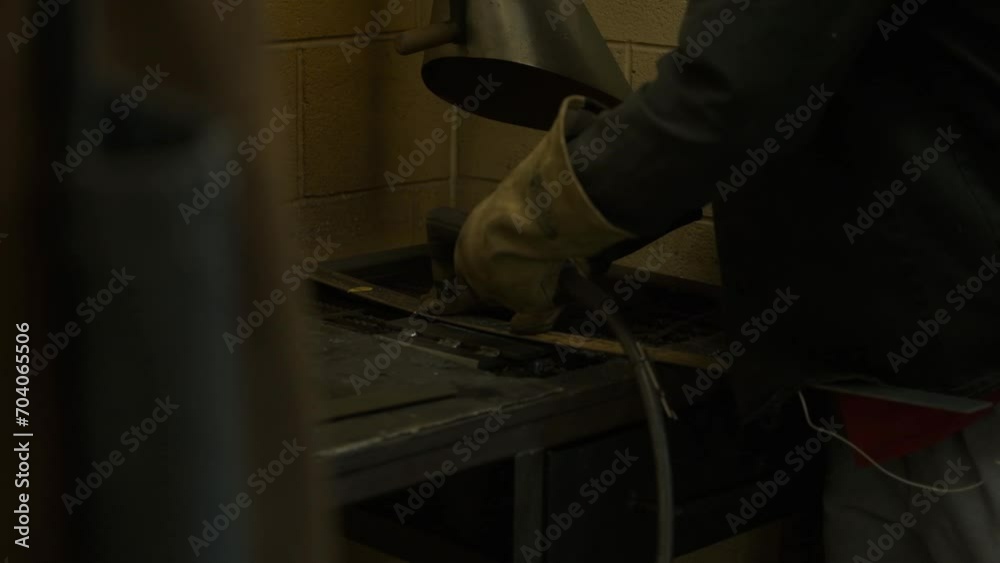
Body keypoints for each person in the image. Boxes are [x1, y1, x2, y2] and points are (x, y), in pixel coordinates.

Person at [448, 0, 1000, 561]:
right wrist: (591, 229)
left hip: (960, 394)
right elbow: (776, 97)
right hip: (917, 387)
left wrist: (527, 224)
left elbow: (727, 99)